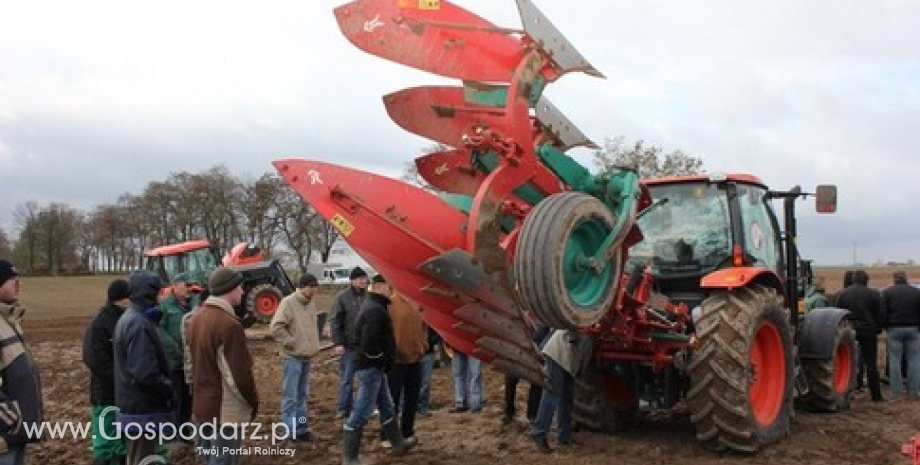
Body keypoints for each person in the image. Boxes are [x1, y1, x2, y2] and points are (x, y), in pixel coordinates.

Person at [186, 267, 259, 465]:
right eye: (240, 288)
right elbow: (238, 376)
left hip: (202, 405)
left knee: (209, 458)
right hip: (224, 410)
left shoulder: (196, 318)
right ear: (230, 289)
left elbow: (191, 364)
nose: (243, 292)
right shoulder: (229, 325)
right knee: (224, 460)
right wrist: (252, 402)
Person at [341, 274, 416, 465]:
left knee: (387, 406)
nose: (390, 290)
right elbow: (368, 342)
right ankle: (349, 457)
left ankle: (398, 443)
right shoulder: (375, 310)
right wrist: (380, 358)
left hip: (375, 368)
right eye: (388, 286)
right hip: (371, 368)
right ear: (379, 286)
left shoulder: (374, 305)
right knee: (362, 411)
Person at [113, 270, 175, 465]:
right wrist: (168, 388)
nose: (164, 296)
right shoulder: (139, 324)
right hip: (142, 410)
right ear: (149, 293)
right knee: (144, 459)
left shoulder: (130, 318)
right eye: (160, 291)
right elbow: (145, 374)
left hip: (135, 406)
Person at [0, 259, 43, 465]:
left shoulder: (9, 321)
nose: (19, 284)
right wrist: (12, 420)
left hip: (14, 434)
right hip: (5, 435)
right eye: (12, 280)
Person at [83, 278, 130, 465]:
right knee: (105, 442)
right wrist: (120, 379)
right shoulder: (100, 324)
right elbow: (94, 359)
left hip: (123, 394)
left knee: (120, 442)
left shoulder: (124, 319)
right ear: (122, 299)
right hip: (105, 395)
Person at [270, 273, 322, 441]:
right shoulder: (288, 303)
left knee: (302, 397)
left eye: (315, 287)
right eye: (311, 287)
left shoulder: (310, 303)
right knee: (290, 398)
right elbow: (276, 327)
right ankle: (288, 432)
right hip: (292, 358)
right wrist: (291, 342)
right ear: (303, 287)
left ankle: (301, 428)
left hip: (306, 357)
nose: (314, 290)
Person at [531, 329, 590, 453]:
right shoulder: (585, 320)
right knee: (551, 394)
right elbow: (576, 343)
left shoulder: (590, 329)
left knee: (567, 397)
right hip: (558, 353)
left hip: (569, 359)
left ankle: (564, 436)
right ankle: (539, 433)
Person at [382, 291, 427, 445]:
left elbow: (422, 327)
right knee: (391, 398)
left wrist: (423, 345)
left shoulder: (417, 301)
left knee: (412, 398)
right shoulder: (391, 304)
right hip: (397, 360)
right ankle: (387, 435)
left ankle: (407, 431)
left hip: (415, 357)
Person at [835, 269, 886, 402]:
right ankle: (876, 396)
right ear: (866, 280)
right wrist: (877, 328)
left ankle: (850, 391)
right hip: (869, 331)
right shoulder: (874, 294)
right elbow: (881, 314)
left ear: (853, 280)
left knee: (849, 363)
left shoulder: (842, 294)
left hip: (849, 331)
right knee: (871, 363)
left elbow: (836, 313)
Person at [158, 273, 197, 429]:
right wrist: (175, 349)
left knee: (190, 397)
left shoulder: (195, 304)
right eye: (185, 285)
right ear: (174, 286)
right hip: (174, 361)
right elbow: (160, 330)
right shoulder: (166, 306)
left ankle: (185, 426)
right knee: (176, 396)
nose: (189, 288)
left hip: (192, 361)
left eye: (190, 285)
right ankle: (174, 432)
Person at [331, 266, 368, 418]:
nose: (362, 281)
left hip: (366, 346)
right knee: (347, 379)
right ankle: (344, 408)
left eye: (364, 278)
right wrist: (338, 343)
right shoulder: (342, 298)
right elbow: (335, 321)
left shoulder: (370, 297)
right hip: (349, 347)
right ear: (352, 281)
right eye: (359, 279)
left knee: (366, 379)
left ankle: (363, 408)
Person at [502, 321, 551, 426]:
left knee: (537, 383)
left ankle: (532, 415)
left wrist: (542, 350)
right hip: (518, 349)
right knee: (510, 379)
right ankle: (508, 411)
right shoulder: (521, 309)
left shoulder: (544, 313)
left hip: (537, 351)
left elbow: (550, 333)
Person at [882, 271, 920, 398]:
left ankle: (896, 391)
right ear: (906, 278)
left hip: (894, 329)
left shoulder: (887, 292)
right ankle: (914, 390)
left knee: (895, 360)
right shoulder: (916, 292)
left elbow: (883, 312)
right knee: (914, 359)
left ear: (894, 279)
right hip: (913, 329)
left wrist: (885, 326)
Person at [417, 325, 441, 417]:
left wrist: (430, 342)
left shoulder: (430, 320)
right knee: (413, 382)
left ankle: (422, 407)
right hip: (415, 353)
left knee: (425, 383)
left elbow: (438, 332)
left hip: (427, 353)